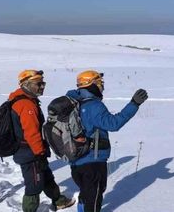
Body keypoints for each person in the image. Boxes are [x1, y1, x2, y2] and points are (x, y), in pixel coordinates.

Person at [66, 70, 148, 212]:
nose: (102, 86)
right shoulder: (93, 105)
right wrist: (134, 104)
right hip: (93, 162)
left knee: (85, 194)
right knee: (94, 200)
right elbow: (113, 124)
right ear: (90, 85)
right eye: (99, 83)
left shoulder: (74, 104)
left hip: (76, 161)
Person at [10, 70, 74, 212]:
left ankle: (58, 201)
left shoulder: (25, 100)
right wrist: (39, 153)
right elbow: (32, 133)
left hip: (30, 150)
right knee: (34, 185)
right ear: (26, 84)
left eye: (43, 83)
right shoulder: (26, 105)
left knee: (46, 176)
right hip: (30, 152)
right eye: (38, 83)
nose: (42, 86)